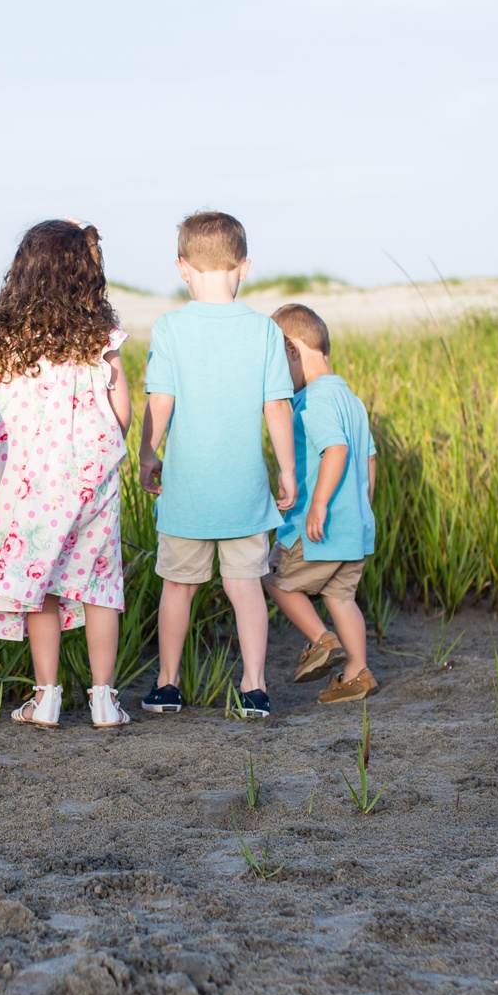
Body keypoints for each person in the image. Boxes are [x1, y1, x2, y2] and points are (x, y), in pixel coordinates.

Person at [0, 220, 134, 730]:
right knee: (100, 585)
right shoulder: (98, 336)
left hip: (28, 479)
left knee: (44, 585)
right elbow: (121, 409)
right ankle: (104, 699)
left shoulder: (1, 340)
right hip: (91, 475)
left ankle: (47, 696)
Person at [136, 211, 296, 719]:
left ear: (182, 267)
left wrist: (147, 452)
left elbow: (160, 401)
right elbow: (277, 406)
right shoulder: (264, 332)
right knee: (245, 586)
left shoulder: (170, 328)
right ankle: (254, 686)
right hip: (244, 490)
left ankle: (167, 684)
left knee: (178, 586)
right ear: (243, 266)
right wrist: (287, 470)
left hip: (187, 491)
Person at [262, 303, 381, 704]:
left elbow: (337, 449)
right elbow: (369, 459)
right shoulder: (351, 399)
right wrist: (361, 506)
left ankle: (320, 640)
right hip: (356, 529)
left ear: (293, 351)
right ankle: (357, 672)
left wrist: (319, 506)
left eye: (280, 366)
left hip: (320, 527)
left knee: (270, 574)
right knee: (340, 596)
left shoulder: (312, 401)